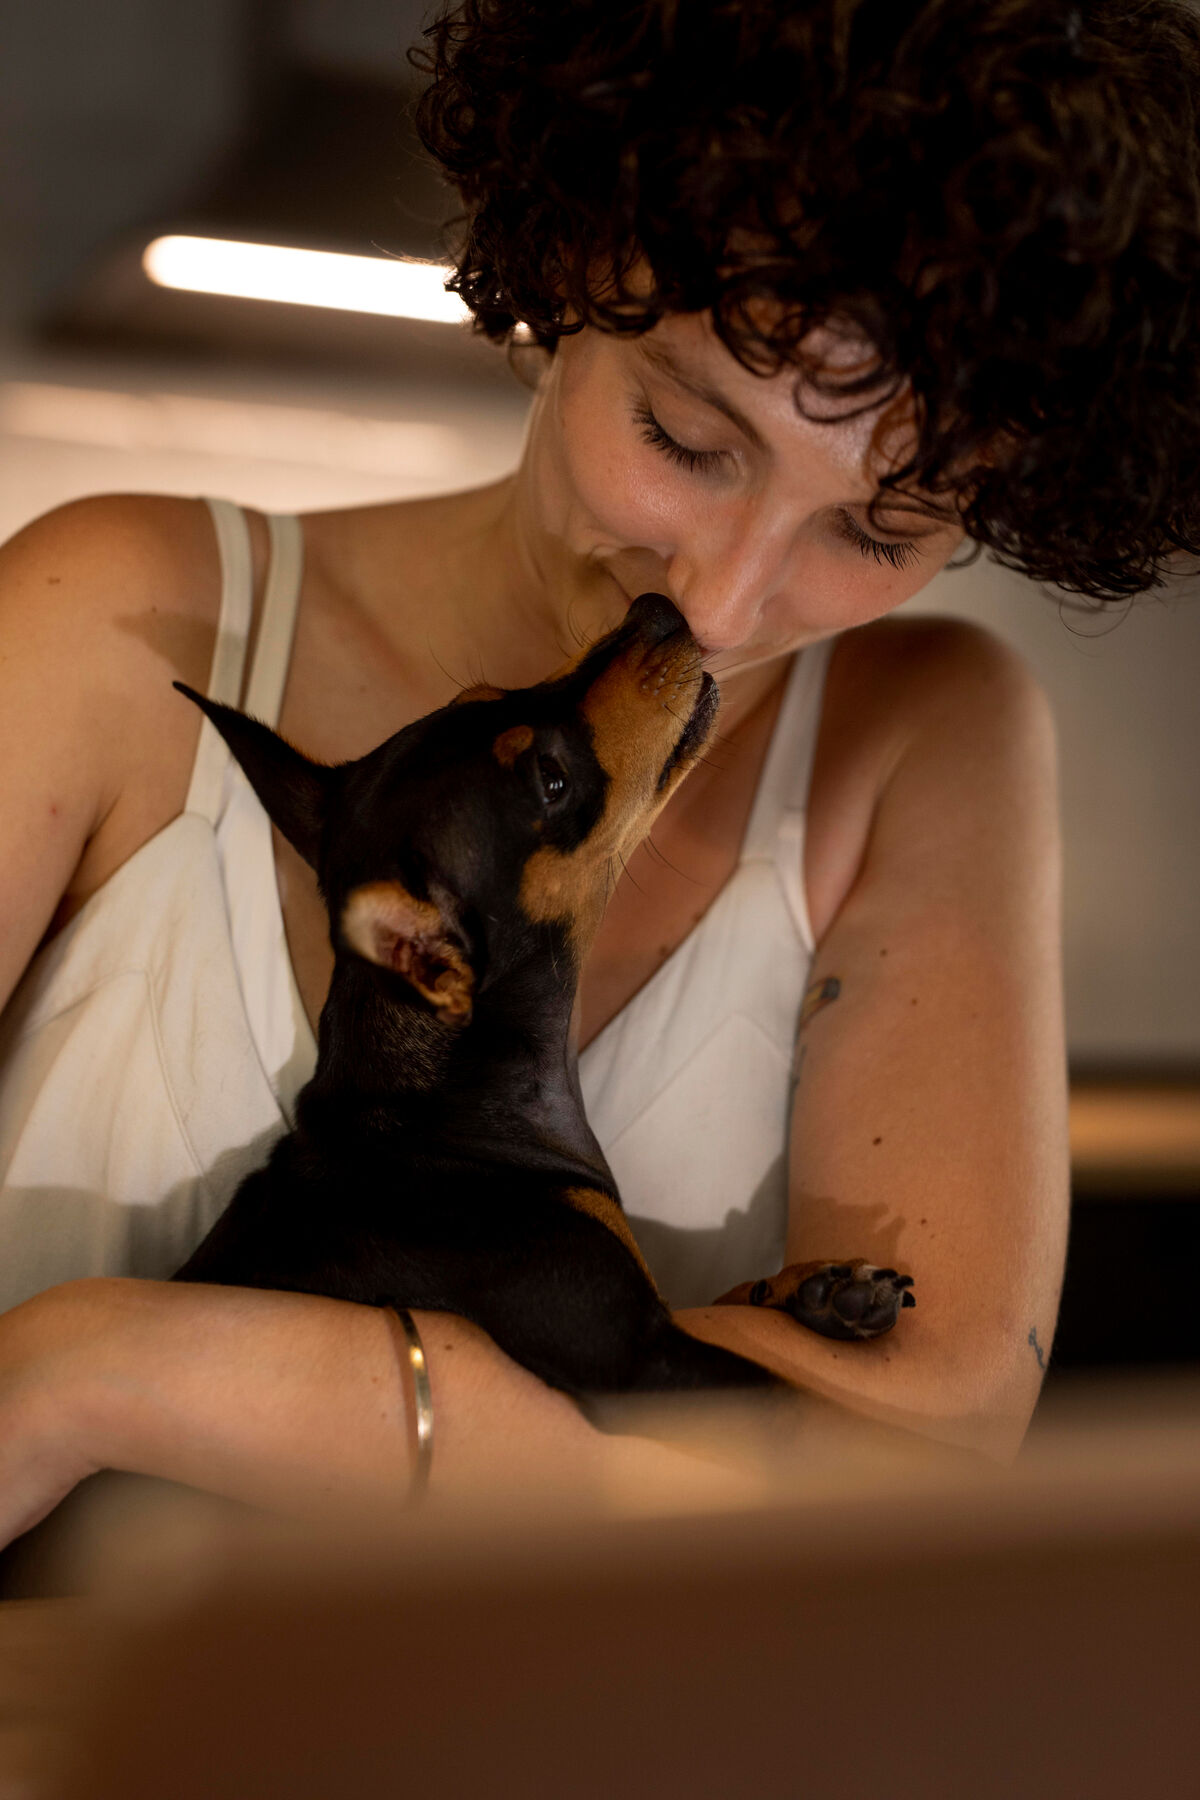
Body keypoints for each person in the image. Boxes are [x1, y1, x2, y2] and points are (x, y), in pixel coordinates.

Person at [1, 0, 1199, 1547]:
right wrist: (601, 1436)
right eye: (687, 436)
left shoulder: (927, 735)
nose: (719, 604)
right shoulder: (110, 618)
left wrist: (103, 1373)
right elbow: (786, 1448)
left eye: (879, 533)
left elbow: (918, 1462)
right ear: (571, 264)